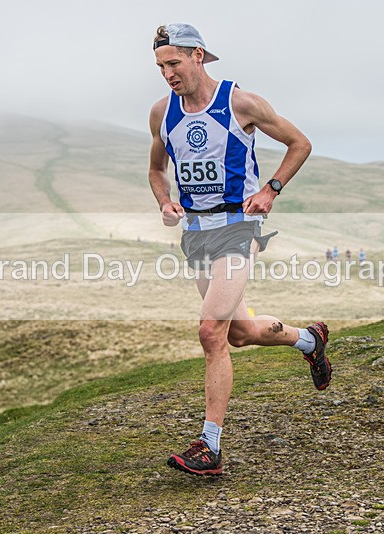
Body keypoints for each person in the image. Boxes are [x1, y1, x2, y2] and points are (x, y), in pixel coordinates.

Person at [148, 23, 331, 477]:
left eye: (174, 62)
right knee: (238, 333)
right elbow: (155, 169)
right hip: (196, 233)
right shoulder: (161, 113)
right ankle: (309, 340)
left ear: (198, 56)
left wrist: (271, 189)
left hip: (237, 227)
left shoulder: (239, 102)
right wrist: (164, 201)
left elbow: (299, 143)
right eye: (160, 66)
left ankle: (209, 447)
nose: (167, 73)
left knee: (210, 332)